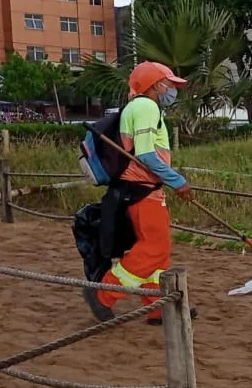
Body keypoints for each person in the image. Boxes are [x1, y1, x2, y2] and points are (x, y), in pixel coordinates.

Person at [83, 61, 195, 325]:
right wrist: (178, 181)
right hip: (142, 190)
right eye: (170, 84)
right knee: (155, 247)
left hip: (141, 189)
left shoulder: (136, 107)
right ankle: (103, 293)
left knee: (157, 251)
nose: (172, 89)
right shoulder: (146, 106)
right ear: (156, 85)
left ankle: (158, 307)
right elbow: (146, 155)